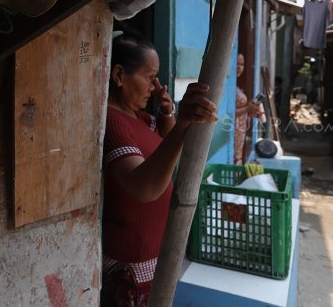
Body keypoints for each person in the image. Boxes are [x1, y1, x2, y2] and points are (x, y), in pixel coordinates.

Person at [101, 32, 218, 306]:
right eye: (149, 77)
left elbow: (163, 147)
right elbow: (143, 187)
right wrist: (182, 123)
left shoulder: (139, 117)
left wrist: (169, 113)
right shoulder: (112, 122)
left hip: (152, 256)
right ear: (119, 76)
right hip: (129, 265)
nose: (155, 87)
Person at [234, 53, 262, 165]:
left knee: (237, 159)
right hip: (231, 132)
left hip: (239, 132)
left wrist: (251, 112)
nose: (239, 67)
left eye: (242, 64)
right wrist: (247, 108)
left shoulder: (236, 87)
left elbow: (241, 111)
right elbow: (229, 113)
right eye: (236, 63)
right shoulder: (228, 86)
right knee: (235, 160)